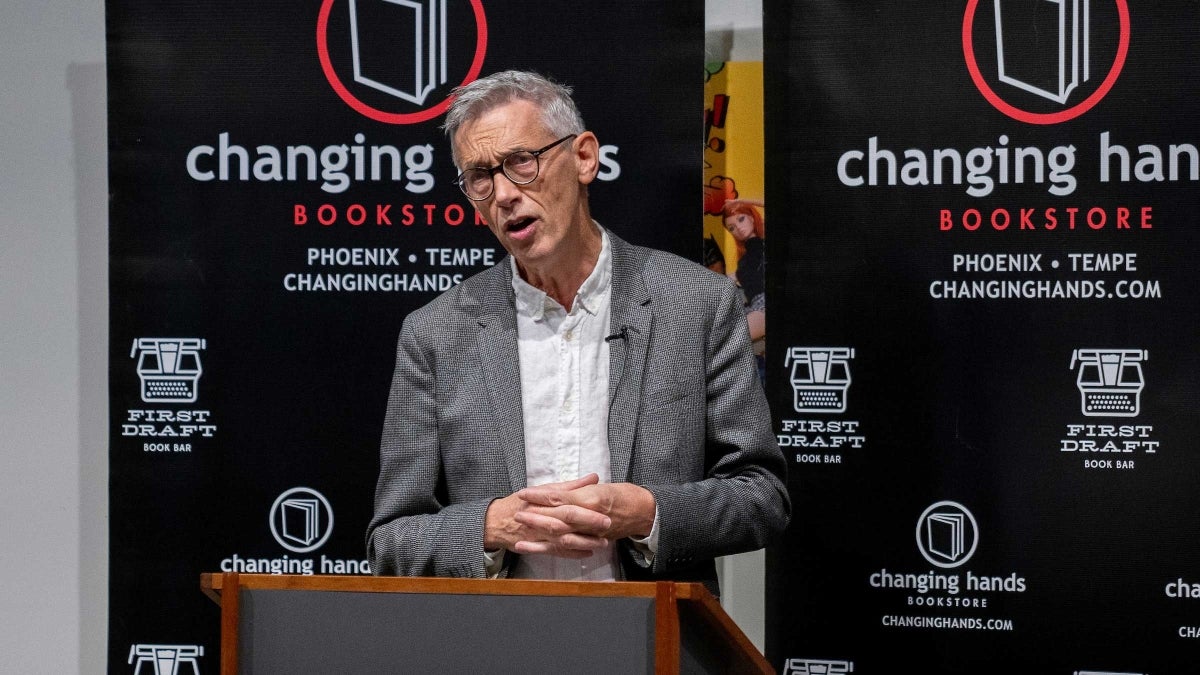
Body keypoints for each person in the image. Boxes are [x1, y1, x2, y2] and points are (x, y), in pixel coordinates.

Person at [366, 70, 789, 594]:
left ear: (584, 157)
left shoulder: (698, 304)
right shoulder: (435, 333)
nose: (502, 194)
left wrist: (648, 514)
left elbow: (761, 496)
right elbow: (391, 539)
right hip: (492, 646)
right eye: (480, 176)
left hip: (650, 644)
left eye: (522, 162)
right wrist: (488, 528)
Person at [722, 199, 766, 376]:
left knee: (729, 339)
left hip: (766, 305)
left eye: (741, 219)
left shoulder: (765, 244)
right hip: (753, 306)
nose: (738, 228)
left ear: (752, 218)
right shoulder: (744, 260)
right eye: (731, 228)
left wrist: (740, 201)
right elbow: (726, 280)